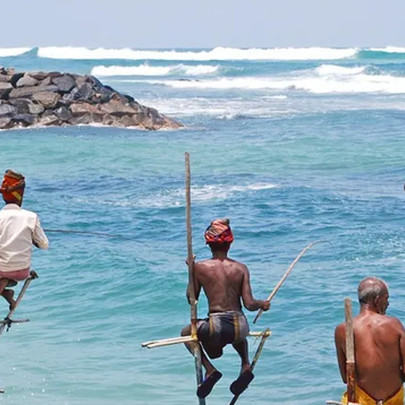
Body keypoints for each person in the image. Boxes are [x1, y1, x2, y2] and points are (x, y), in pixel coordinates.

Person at [181, 218, 270, 399]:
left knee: (186, 333)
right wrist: (263, 304)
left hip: (217, 325)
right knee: (238, 333)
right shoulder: (241, 268)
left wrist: (191, 272)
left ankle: (210, 370)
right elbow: (249, 304)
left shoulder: (200, 267)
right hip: (240, 326)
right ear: (230, 243)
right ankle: (245, 364)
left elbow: (192, 299)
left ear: (208, 244)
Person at [334, 277, 405, 405]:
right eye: (386, 298)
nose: (388, 303)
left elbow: (346, 377)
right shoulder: (394, 325)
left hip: (360, 401)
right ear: (377, 300)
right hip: (393, 401)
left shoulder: (342, 329)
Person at [0, 170, 48, 309]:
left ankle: (4, 288)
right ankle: (6, 292)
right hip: (21, 271)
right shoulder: (31, 217)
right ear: (20, 196)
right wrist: (33, 240)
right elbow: (44, 245)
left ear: (4, 197)